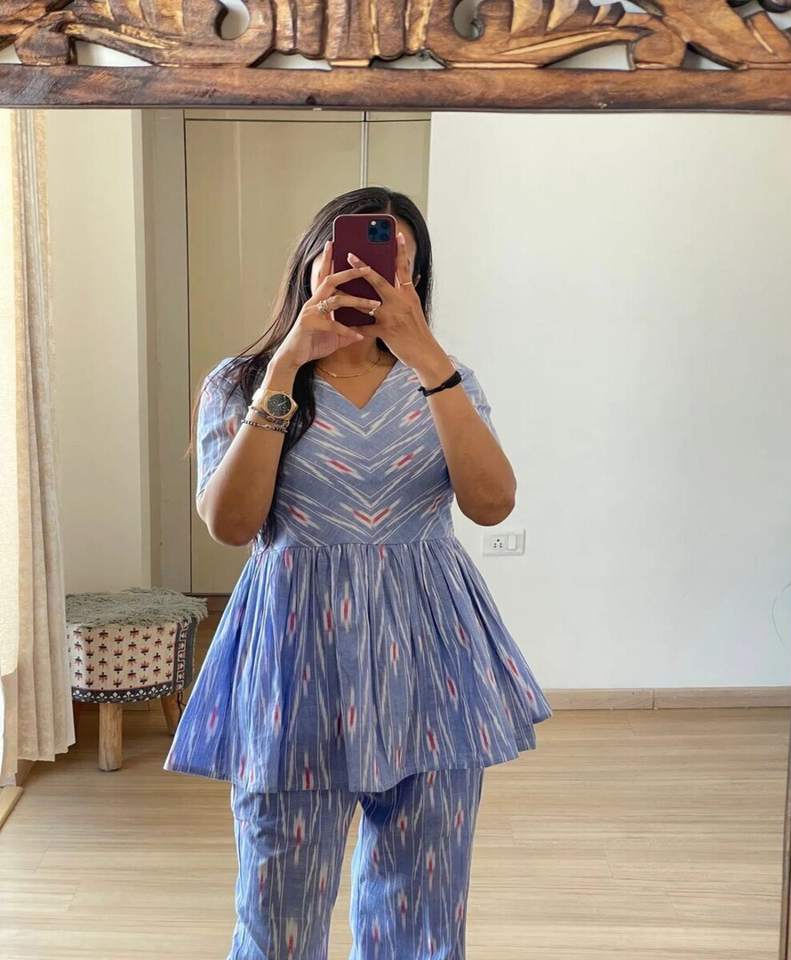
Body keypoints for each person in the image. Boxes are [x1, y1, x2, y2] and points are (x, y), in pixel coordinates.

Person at [163, 186, 553, 959]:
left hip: (431, 661)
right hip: (295, 664)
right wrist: (287, 363)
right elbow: (233, 525)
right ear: (312, 265)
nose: (372, 276)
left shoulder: (447, 380)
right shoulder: (243, 382)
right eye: (351, 257)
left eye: (397, 264)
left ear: (417, 282)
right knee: (277, 912)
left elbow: (492, 505)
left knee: (423, 912)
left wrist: (430, 361)